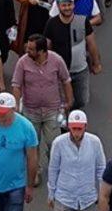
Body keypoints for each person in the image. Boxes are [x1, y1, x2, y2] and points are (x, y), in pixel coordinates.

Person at [12, 34, 72, 184]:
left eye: (31, 49)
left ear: (42, 51)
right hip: (30, 112)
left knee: (54, 143)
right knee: (33, 144)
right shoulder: (22, 63)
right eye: (28, 47)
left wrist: (69, 102)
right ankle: (35, 171)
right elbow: (16, 85)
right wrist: (15, 107)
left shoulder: (56, 60)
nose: (27, 50)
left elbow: (66, 80)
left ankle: (55, 169)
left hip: (53, 111)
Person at [44, 0, 102, 108]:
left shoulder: (83, 21)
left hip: (80, 69)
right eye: (64, 5)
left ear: (73, 5)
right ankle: (67, 121)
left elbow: (91, 44)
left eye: (69, 4)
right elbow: (47, 47)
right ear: (59, 6)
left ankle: (75, 112)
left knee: (82, 100)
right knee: (63, 103)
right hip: (60, 72)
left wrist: (96, 63)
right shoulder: (51, 23)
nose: (67, 8)